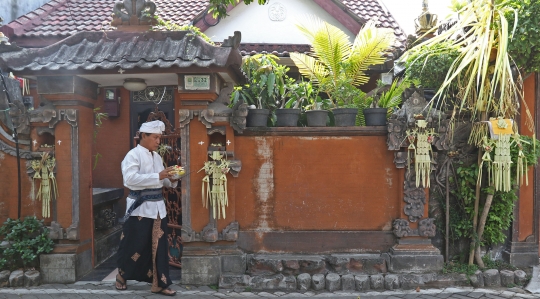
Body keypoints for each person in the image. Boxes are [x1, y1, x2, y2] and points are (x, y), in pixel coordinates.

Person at [115, 120, 178, 296]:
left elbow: (162, 181)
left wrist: (171, 178)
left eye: (160, 138)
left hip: (158, 209)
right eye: (155, 137)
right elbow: (130, 180)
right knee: (133, 244)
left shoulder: (157, 157)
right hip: (139, 209)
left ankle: (159, 283)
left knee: (159, 246)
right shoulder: (133, 155)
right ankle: (122, 275)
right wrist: (158, 175)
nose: (158, 141)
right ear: (144, 136)